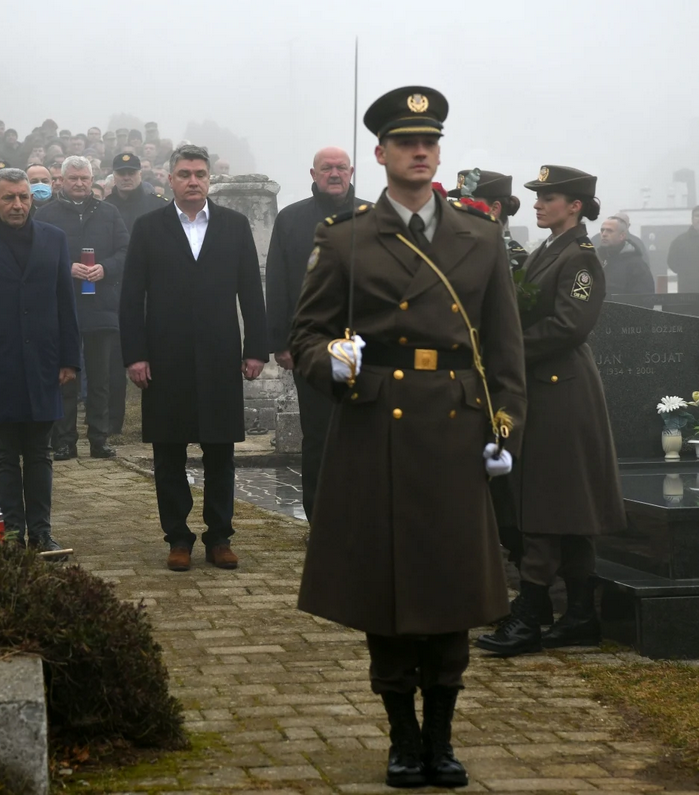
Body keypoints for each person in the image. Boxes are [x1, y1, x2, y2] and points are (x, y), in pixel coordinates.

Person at [290, 87, 527, 788]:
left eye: (428, 142)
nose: (418, 153)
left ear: (438, 152)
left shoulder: (480, 238)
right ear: (380, 154)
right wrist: (329, 361)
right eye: (404, 143)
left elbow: (504, 350)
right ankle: (401, 736)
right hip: (377, 423)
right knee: (389, 588)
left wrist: (505, 424)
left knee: (452, 583)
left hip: (455, 433)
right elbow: (304, 333)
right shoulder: (345, 238)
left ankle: (442, 737)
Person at [477, 165, 626, 658]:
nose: (537, 204)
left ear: (576, 206)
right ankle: (581, 614)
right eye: (538, 197)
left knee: (545, 501)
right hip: (543, 388)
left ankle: (531, 613)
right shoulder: (547, 249)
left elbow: (569, 325)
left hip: (563, 392)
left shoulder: (581, 258)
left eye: (549, 198)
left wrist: (507, 346)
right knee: (566, 505)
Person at [119, 144, 267, 573]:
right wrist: (135, 355)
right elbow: (131, 298)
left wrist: (255, 348)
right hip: (165, 358)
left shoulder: (234, 226)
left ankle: (219, 536)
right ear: (170, 179)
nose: (193, 181)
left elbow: (251, 293)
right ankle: (178, 538)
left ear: (209, 179)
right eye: (184, 174)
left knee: (221, 451)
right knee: (169, 453)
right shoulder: (149, 228)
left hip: (221, 355)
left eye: (200, 174)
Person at [0, 168, 81, 552]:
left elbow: (65, 303)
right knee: (3, 453)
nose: (18, 204)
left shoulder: (53, 239)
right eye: (9, 198)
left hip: (43, 361)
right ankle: (11, 535)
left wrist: (69, 359)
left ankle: (41, 532)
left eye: (24, 197)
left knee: (40, 452)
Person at [265, 146, 367, 525]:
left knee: (364, 434)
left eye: (341, 167)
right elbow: (276, 283)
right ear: (313, 173)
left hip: (365, 347)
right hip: (312, 347)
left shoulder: (375, 217)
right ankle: (321, 517)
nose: (335, 173)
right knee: (320, 436)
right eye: (327, 168)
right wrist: (280, 343)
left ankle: (362, 516)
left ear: (352, 171)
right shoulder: (291, 220)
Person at [447, 169, 530, 567]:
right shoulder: (458, 252)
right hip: (460, 389)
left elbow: (508, 332)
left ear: (493, 208)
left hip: (498, 388)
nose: (457, 211)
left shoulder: (514, 257)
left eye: (467, 204)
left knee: (507, 495)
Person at [36, 156, 130, 460]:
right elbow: (35, 255)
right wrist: (67, 267)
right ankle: (64, 440)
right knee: (65, 377)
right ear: (61, 181)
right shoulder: (45, 215)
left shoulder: (110, 213)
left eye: (84, 179)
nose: (79, 184)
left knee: (100, 378)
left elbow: (126, 252)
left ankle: (99, 438)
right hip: (61, 307)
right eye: (73, 178)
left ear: (94, 181)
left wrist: (105, 267)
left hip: (101, 306)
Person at [596, 216, 655, 297]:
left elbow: (644, 300)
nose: (604, 234)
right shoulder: (596, 259)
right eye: (602, 230)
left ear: (622, 236)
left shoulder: (637, 265)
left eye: (609, 231)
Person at [667, 205, 699, 292]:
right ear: (692, 219)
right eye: (697, 216)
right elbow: (671, 262)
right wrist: (686, 272)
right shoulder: (680, 241)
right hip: (687, 290)